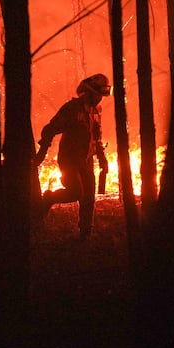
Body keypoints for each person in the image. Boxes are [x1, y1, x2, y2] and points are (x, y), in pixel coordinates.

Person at [34, 74, 110, 238]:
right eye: (97, 95)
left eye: (101, 96)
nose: (99, 99)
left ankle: (85, 234)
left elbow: (97, 137)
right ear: (88, 92)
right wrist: (41, 153)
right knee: (76, 192)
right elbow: (50, 129)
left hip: (87, 159)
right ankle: (49, 199)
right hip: (69, 159)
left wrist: (102, 158)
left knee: (89, 198)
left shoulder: (97, 111)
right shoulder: (71, 109)